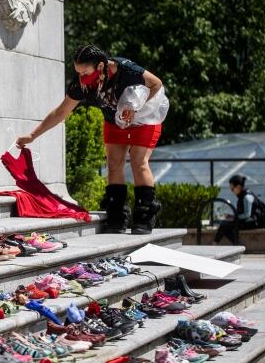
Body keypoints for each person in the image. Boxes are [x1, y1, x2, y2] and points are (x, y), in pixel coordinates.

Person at [15, 45, 165, 234]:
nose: (81, 77)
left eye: (85, 72)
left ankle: (145, 215)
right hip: (114, 121)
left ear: (101, 66)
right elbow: (61, 111)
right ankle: (117, 215)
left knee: (138, 161)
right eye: (78, 72)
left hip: (144, 119)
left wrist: (136, 107)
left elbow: (156, 83)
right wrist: (32, 135)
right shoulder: (82, 85)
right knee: (113, 164)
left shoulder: (126, 70)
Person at [213, 175, 258, 245]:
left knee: (225, 226)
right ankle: (216, 243)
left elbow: (247, 215)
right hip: (248, 221)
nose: (232, 191)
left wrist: (233, 217)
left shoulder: (246, 197)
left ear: (238, 187)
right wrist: (232, 217)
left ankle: (216, 244)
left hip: (253, 222)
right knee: (225, 225)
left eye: (232, 189)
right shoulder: (242, 196)